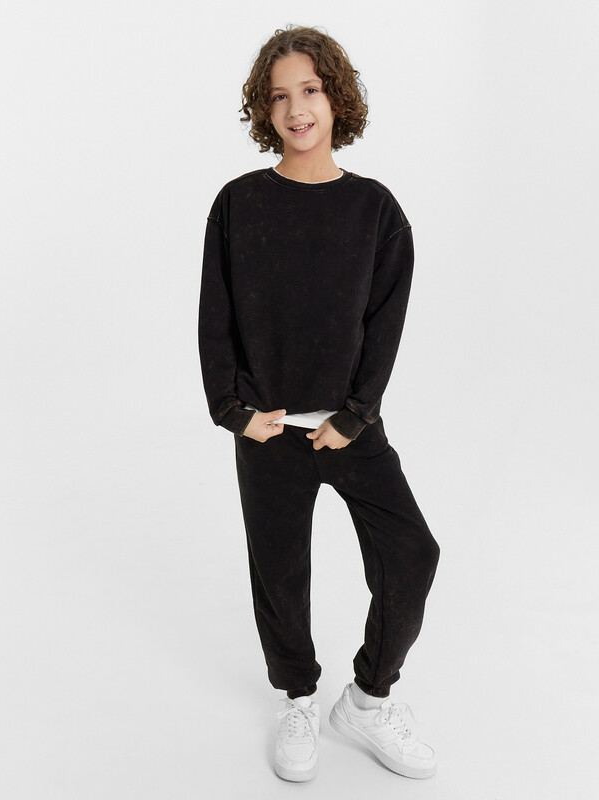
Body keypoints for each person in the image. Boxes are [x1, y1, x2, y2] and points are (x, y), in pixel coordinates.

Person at [198, 24, 440, 783]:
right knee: (280, 574)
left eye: (310, 90)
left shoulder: (376, 210)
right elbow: (215, 318)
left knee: (412, 554)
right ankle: (297, 698)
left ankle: (367, 698)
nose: (296, 108)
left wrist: (355, 415)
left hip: (349, 426)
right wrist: (234, 412)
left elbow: (384, 325)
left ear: (337, 97)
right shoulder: (238, 204)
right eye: (278, 96)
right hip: (267, 430)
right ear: (262, 108)